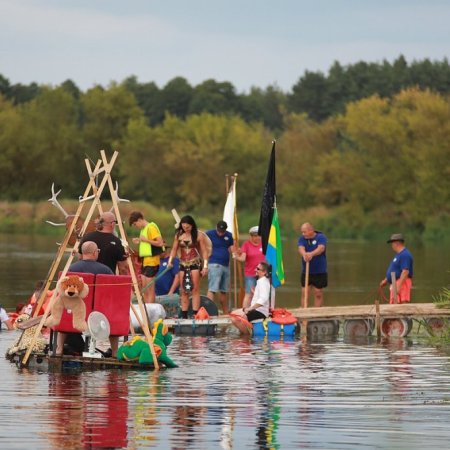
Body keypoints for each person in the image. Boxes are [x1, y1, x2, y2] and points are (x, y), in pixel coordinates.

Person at [55, 240, 115, 356]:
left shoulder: (70, 269)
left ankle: (59, 348)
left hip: (74, 312)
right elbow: (112, 293)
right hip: (99, 314)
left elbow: (62, 292)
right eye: (98, 251)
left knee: (63, 311)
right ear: (94, 253)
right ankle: (115, 352)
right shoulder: (106, 270)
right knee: (112, 313)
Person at [168, 215, 209, 319]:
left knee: (195, 289)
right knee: (183, 290)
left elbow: (204, 251)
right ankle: (184, 314)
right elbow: (173, 249)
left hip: (194, 263)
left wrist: (205, 267)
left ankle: (195, 314)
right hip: (182, 263)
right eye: (184, 227)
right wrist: (170, 261)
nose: (185, 229)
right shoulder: (178, 235)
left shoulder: (199, 235)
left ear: (192, 226)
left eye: (188, 227)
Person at [129, 211, 164, 303]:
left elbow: (160, 243)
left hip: (152, 260)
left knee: (149, 288)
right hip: (145, 260)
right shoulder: (143, 229)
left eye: (135, 224)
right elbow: (146, 242)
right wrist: (140, 240)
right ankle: (146, 310)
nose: (136, 226)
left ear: (140, 220)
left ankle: (150, 309)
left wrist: (146, 240)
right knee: (144, 287)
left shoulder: (151, 227)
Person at [233, 225, 265, 308]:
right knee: (249, 294)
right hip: (250, 273)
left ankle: (263, 311)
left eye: (258, 235)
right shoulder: (246, 244)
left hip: (263, 274)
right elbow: (243, 258)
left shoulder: (265, 244)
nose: (257, 237)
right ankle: (245, 311)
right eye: (254, 236)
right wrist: (236, 257)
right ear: (251, 236)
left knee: (263, 294)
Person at [206, 220, 234, 314]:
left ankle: (226, 313)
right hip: (214, 264)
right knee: (212, 289)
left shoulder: (229, 235)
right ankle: (209, 312)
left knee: (223, 291)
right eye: (219, 231)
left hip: (226, 265)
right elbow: (200, 242)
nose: (220, 233)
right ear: (216, 227)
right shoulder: (209, 234)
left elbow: (231, 248)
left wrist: (236, 253)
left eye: (222, 231)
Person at [230, 261, 270, 325]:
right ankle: (247, 329)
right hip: (257, 310)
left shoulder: (263, 282)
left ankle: (247, 332)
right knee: (233, 314)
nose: (255, 270)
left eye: (258, 269)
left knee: (234, 317)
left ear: (264, 272)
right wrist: (255, 293)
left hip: (260, 312)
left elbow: (263, 299)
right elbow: (263, 296)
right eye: (256, 268)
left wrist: (250, 308)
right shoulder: (262, 281)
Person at [298, 222, 328, 307]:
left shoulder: (321, 237)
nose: (303, 234)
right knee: (305, 292)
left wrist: (311, 254)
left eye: (305, 232)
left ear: (311, 230)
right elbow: (301, 248)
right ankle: (304, 311)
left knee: (318, 293)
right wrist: (304, 254)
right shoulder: (302, 239)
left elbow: (321, 248)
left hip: (319, 270)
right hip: (306, 271)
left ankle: (316, 312)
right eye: (302, 232)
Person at [379, 233, 414, 304]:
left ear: (396, 243)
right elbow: (395, 270)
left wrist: (399, 286)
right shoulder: (399, 255)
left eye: (392, 243)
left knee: (402, 304)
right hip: (395, 283)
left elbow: (405, 272)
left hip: (402, 283)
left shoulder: (405, 255)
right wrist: (386, 280)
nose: (391, 245)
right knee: (394, 304)